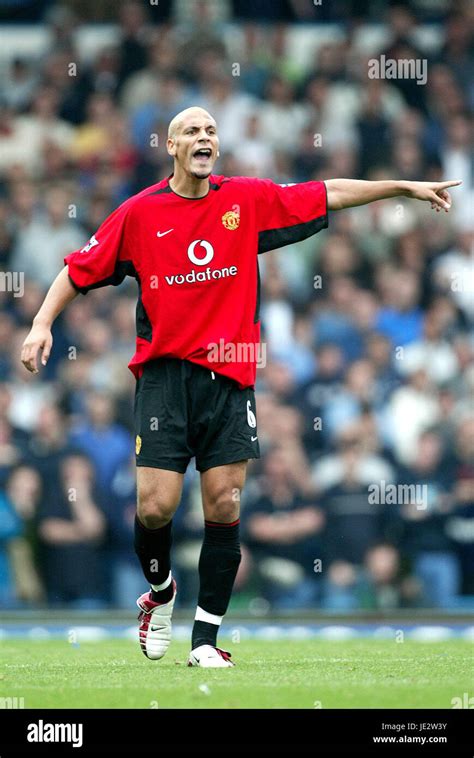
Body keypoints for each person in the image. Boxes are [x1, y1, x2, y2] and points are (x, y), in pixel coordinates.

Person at [21, 105, 461, 667]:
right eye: (192, 132)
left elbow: (326, 192)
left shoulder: (246, 200)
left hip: (230, 376)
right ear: (172, 148)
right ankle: (160, 594)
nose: (205, 138)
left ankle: (204, 641)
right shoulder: (138, 214)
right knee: (155, 508)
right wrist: (40, 323)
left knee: (224, 502)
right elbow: (77, 270)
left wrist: (400, 187)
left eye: (210, 130)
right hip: (164, 378)